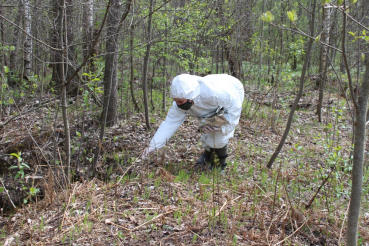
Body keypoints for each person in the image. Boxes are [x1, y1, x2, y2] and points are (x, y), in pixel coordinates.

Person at [143, 73, 244, 170]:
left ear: (190, 96)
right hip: (209, 111)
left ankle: (220, 164)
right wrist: (153, 146)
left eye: (180, 101)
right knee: (206, 128)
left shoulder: (214, 93)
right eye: (176, 101)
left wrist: (224, 127)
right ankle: (208, 154)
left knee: (218, 138)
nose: (178, 104)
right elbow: (170, 123)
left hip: (231, 90)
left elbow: (234, 107)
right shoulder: (181, 102)